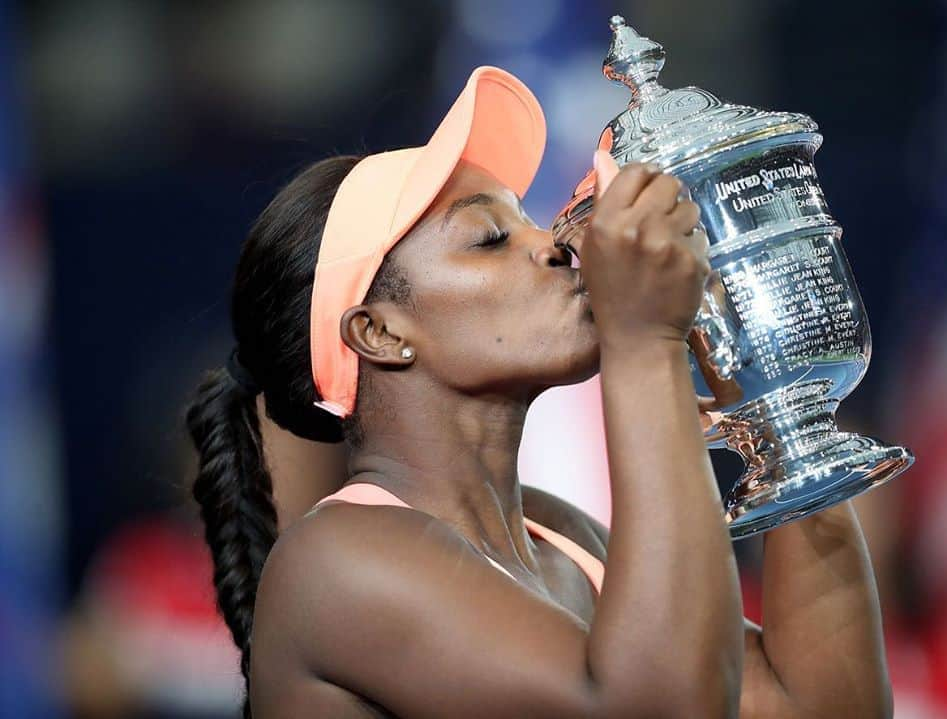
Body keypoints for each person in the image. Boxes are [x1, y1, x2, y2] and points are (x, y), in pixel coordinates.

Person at [185, 66, 891, 718]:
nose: (555, 244)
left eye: (528, 219)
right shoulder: (335, 560)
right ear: (379, 332)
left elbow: (821, 705)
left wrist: (777, 400)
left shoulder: (563, 534)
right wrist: (644, 341)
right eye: (491, 238)